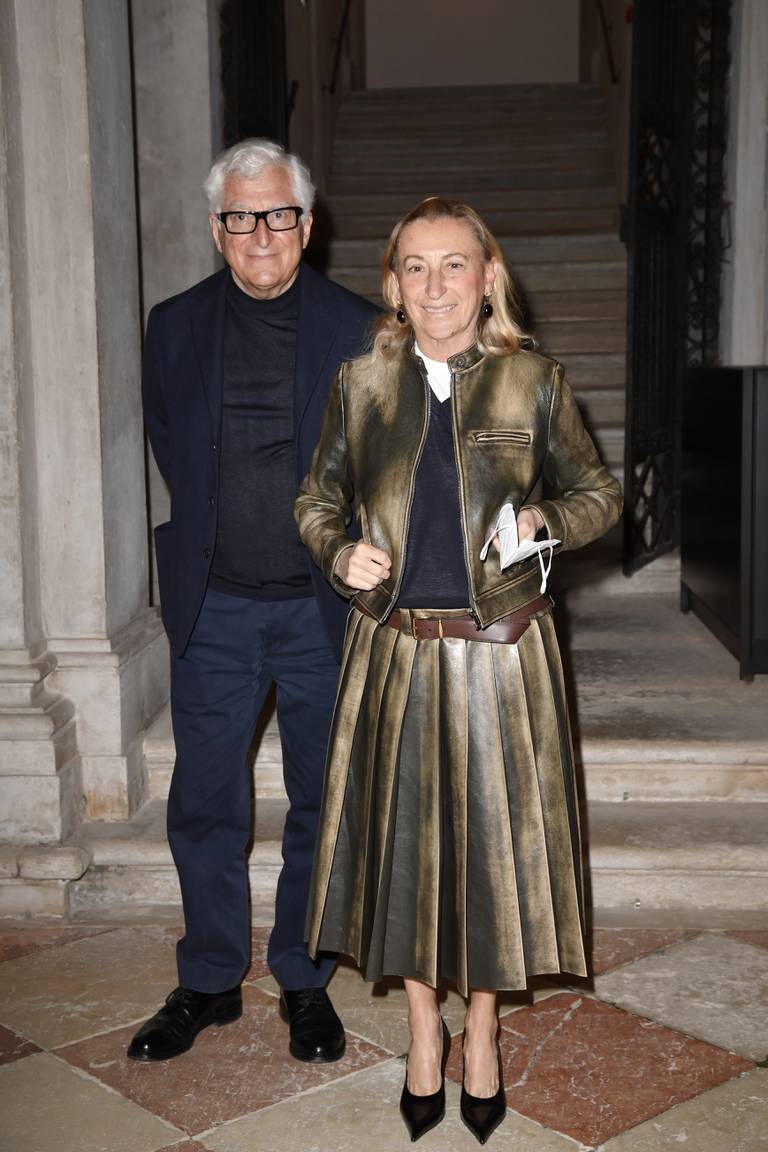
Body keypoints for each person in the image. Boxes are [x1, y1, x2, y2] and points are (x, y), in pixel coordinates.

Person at [295, 197, 622, 1142]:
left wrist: (543, 522)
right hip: (395, 652)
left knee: (489, 858)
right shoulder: (360, 384)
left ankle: (480, 1033)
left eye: (454, 265)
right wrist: (337, 550)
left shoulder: (534, 382)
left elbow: (597, 493)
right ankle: (422, 1030)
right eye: (415, 267)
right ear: (393, 284)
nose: (435, 285)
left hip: (501, 659)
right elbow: (317, 498)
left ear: (488, 276)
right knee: (400, 853)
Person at [129, 139, 378, 1064]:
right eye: (241, 216)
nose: (260, 232)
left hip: (325, 612)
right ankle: (208, 980)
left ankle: (304, 977)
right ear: (216, 229)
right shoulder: (173, 325)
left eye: (278, 214)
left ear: (307, 227)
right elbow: (172, 445)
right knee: (205, 800)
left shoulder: (361, 326)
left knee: (321, 798)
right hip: (217, 607)